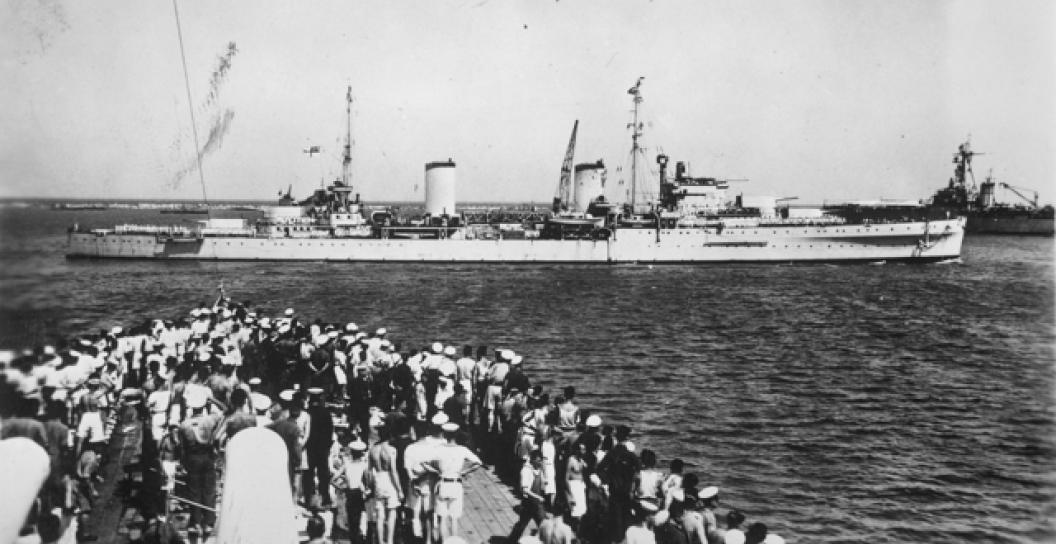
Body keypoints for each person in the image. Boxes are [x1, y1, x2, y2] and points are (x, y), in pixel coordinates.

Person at [426, 422, 483, 540]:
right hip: (456, 483)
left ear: (444, 435)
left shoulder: (438, 449)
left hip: (442, 483)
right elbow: (478, 463)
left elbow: (424, 462)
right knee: (454, 518)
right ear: (456, 435)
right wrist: (465, 472)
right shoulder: (462, 450)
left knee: (442, 517)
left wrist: (435, 471)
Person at [178, 388, 221, 534]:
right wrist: (211, 401)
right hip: (208, 457)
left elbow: (182, 449)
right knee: (209, 489)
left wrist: (183, 464)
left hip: (192, 458)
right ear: (204, 406)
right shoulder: (210, 420)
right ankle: (209, 521)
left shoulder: (184, 425)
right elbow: (224, 412)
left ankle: (195, 522)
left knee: (194, 490)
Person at [367, 431, 403, 544]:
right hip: (389, 480)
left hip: (378, 478)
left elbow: (368, 471)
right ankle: (390, 541)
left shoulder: (372, 450)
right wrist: (399, 490)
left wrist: (370, 486)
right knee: (392, 513)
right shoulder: (391, 450)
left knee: (380, 515)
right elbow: (393, 471)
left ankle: (381, 541)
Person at [334, 439, 369, 544]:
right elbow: (367, 481)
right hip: (359, 493)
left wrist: (341, 488)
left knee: (351, 520)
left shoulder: (347, 465)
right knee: (359, 518)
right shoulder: (364, 465)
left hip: (349, 493)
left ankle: (353, 540)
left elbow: (333, 479)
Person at [508, 450, 547, 542]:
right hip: (528, 504)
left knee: (544, 525)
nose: (540, 462)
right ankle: (510, 542)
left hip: (538, 505)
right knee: (521, 525)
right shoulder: (526, 471)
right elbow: (525, 490)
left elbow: (542, 483)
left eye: (541, 460)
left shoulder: (539, 470)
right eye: (538, 461)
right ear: (532, 460)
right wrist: (538, 497)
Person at [305, 387, 335, 508]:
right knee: (323, 473)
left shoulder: (307, 412)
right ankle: (325, 497)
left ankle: (309, 498)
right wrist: (327, 446)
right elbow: (330, 431)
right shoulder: (325, 413)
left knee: (308, 474)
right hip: (322, 448)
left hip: (310, 447)